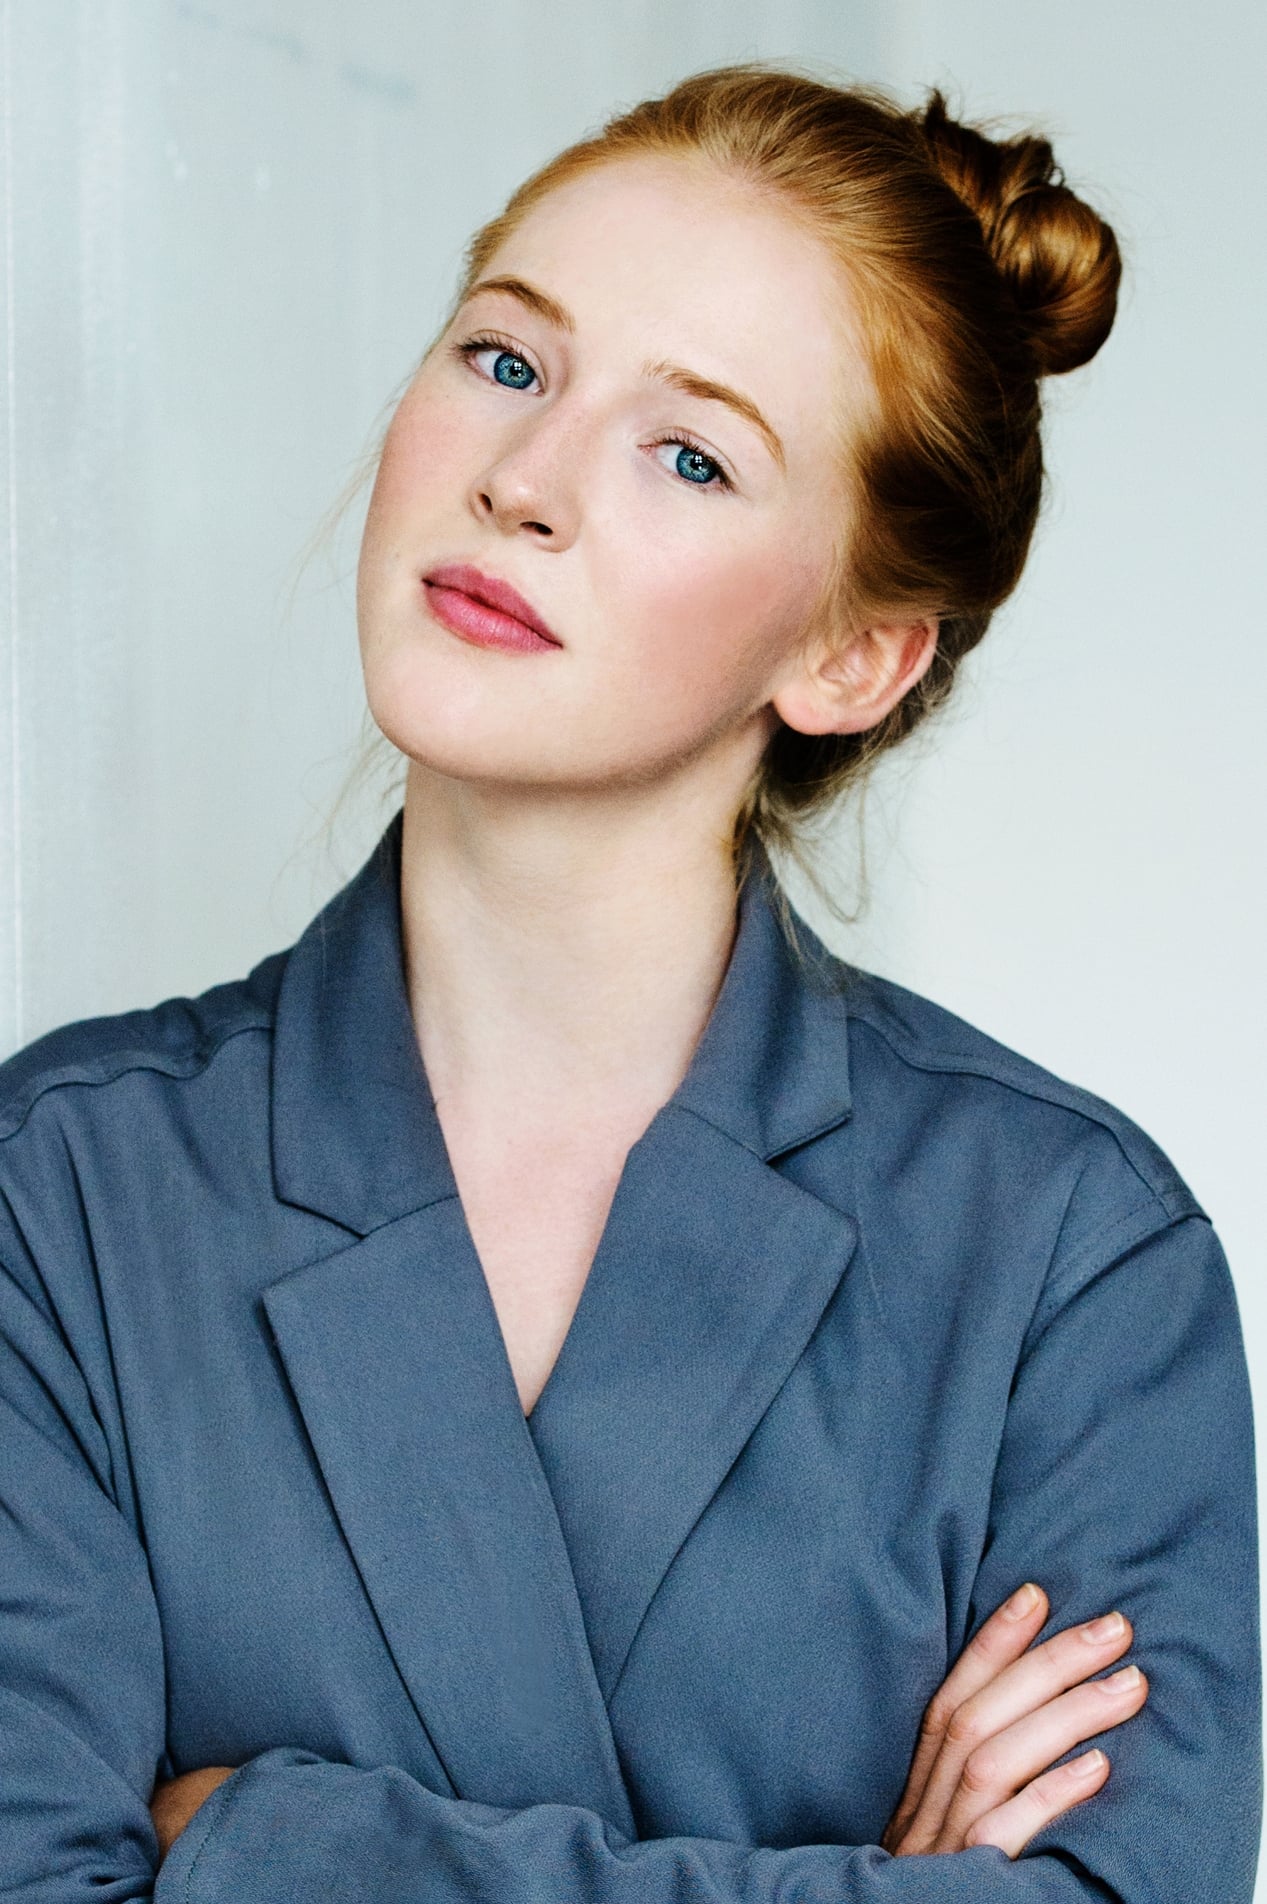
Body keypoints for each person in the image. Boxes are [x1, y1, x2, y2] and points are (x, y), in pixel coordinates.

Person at [0, 60, 1258, 1904]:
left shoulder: (1074, 1261)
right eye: (506, 358)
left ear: (852, 654)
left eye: (691, 454)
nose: (520, 482)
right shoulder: (61, 1191)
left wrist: (268, 1847)